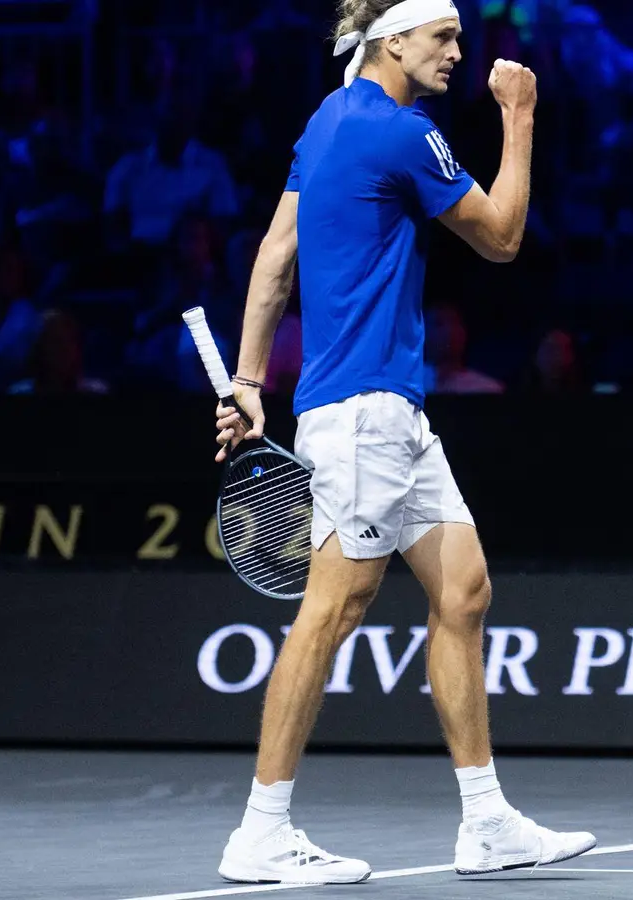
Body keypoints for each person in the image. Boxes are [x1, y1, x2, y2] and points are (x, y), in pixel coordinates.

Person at [208, 0, 593, 885]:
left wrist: (248, 382)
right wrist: (520, 117)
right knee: (330, 612)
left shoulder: (327, 121)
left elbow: (273, 259)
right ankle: (261, 831)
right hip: (363, 417)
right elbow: (500, 237)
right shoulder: (402, 132)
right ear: (393, 41)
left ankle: (486, 821)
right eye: (444, 37)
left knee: (463, 591)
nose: (459, 52)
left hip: (393, 415)